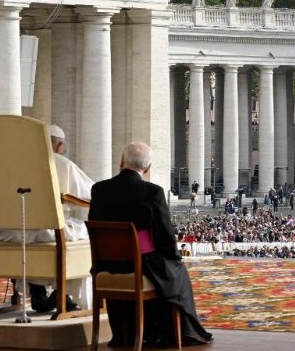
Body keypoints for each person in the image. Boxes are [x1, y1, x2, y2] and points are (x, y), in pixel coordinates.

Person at [88, 142, 213, 346]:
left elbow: (94, 223)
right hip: (142, 263)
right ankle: (170, 332)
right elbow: (165, 236)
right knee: (177, 272)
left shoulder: (99, 189)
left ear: (121, 162)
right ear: (147, 168)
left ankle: (125, 333)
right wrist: (174, 257)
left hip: (106, 265)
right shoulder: (152, 192)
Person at [0, 124, 92, 313]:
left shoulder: (11, 164)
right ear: (58, 146)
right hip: (46, 231)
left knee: (39, 236)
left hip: (9, 232)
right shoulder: (61, 163)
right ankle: (63, 294)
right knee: (85, 234)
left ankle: (37, 291)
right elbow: (91, 194)